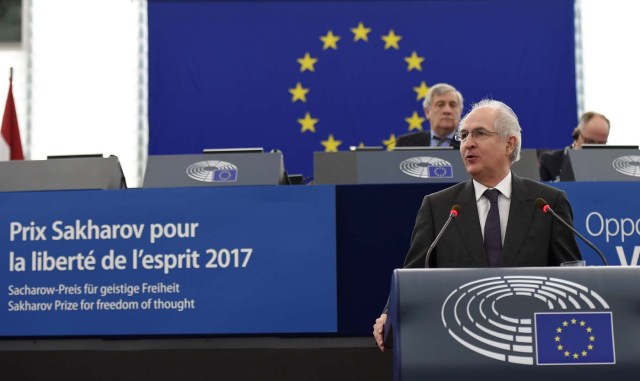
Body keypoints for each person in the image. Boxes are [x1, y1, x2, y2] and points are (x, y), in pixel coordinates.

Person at [373, 99, 581, 352]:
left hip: (530, 345)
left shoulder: (548, 203)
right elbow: (413, 273)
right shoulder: (438, 207)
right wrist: (388, 315)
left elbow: (571, 277)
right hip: (459, 344)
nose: (468, 143)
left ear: (509, 143)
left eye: (480, 133)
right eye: (463, 135)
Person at [538, 111, 610, 181]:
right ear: (576, 134)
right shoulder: (550, 162)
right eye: (589, 142)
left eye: (601, 144)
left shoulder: (611, 167)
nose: (594, 149)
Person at [395, 83, 463, 148]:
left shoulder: (468, 142)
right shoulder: (405, 143)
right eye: (440, 105)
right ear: (427, 112)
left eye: (453, 105)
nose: (447, 110)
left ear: (460, 111)